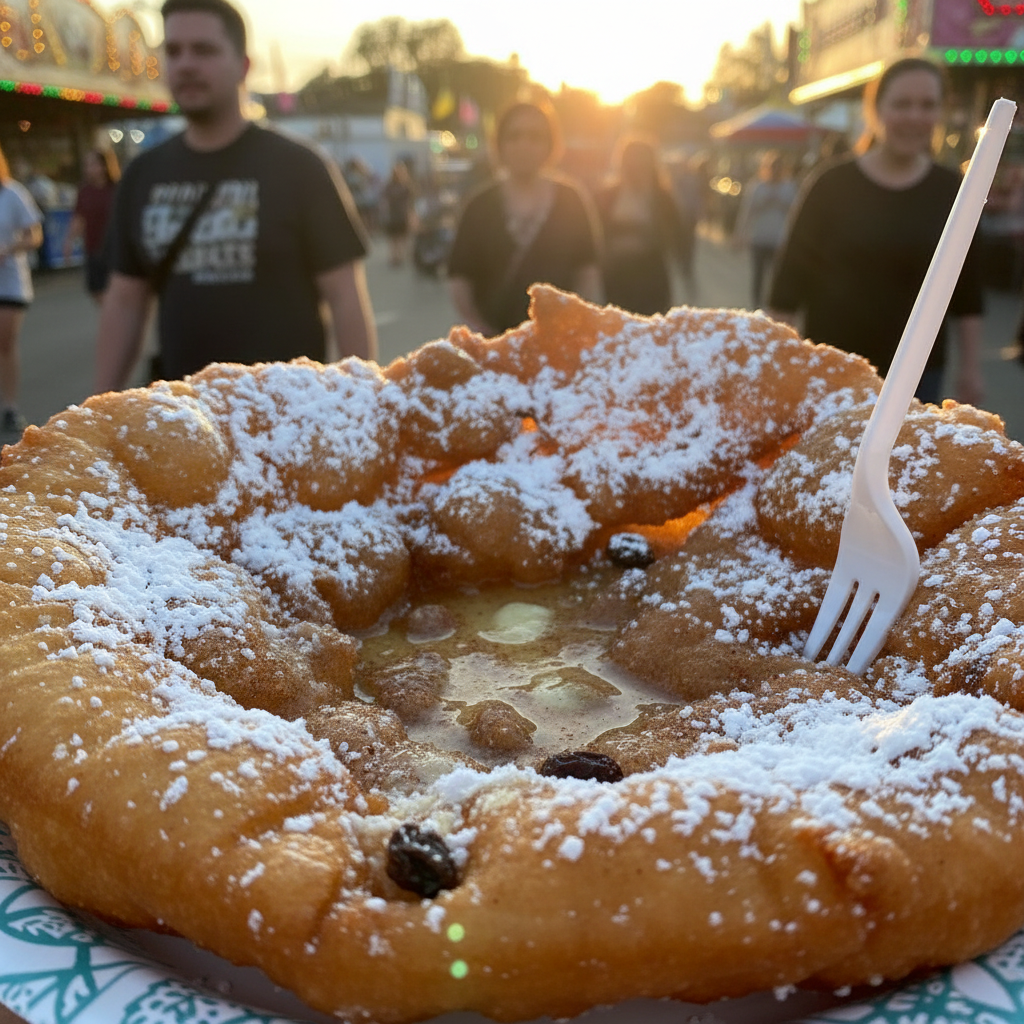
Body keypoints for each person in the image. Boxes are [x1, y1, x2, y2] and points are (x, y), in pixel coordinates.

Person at [95, 0, 376, 392]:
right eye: (173, 51)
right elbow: (125, 301)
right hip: (185, 423)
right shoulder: (143, 174)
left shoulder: (301, 167)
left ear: (243, 66)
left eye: (204, 50)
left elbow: (344, 296)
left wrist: (358, 401)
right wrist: (96, 411)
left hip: (285, 418)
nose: (186, 64)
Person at [768, 57, 984, 406]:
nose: (914, 116)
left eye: (927, 105)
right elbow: (787, 287)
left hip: (917, 376)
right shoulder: (831, 185)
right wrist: (780, 370)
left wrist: (971, 369)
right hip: (833, 374)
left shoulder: (954, 190)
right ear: (875, 109)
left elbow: (968, 291)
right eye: (902, 104)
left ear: (940, 112)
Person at [446, 100, 602, 336]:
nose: (524, 145)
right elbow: (460, 277)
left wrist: (575, 323)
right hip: (495, 344)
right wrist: (477, 329)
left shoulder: (571, 200)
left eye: (535, 137)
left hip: (557, 342)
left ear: (550, 144)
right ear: (500, 143)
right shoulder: (478, 206)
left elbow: (587, 270)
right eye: (514, 136)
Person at [594, 135, 690, 316]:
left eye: (642, 163)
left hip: (651, 280)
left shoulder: (663, 199)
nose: (637, 168)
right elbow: (593, 236)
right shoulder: (607, 196)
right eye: (632, 163)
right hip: (614, 277)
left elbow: (679, 238)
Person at [0, 144, 44, 435]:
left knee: (4, 342)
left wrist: (8, 249)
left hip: (10, 281)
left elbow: (35, 236)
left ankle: (10, 407)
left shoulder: (13, 193)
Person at [732, 150, 798, 309]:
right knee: (758, 275)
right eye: (772, 168)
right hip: (758, 238)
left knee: (776, 276)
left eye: (778, 168)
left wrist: (781, 204)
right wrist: (740, 234)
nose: (775, 171)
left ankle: (773, 305)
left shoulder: (789, 188)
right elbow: (747, 212)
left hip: (780, 240)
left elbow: (796, 213)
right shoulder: (757, 187)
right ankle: (756, 305)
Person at [63, 149, 120, 301]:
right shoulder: (84, 191)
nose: (89, 169)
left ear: (104, 166)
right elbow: (78, 218)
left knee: (116, 290)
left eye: (93, 164)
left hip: (116, 250)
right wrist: (69, 241)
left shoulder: (117, 188)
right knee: (96, 290)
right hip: (93, 248)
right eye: (87, 165)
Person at [379, 160, 416, 267]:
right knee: (401, 238)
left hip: (393, 216)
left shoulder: (389, 186)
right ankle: (399, 256)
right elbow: (410, 204)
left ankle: (395, 257)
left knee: (394, 239)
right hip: (401, 215)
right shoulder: (406, 187)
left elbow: (384, 202)